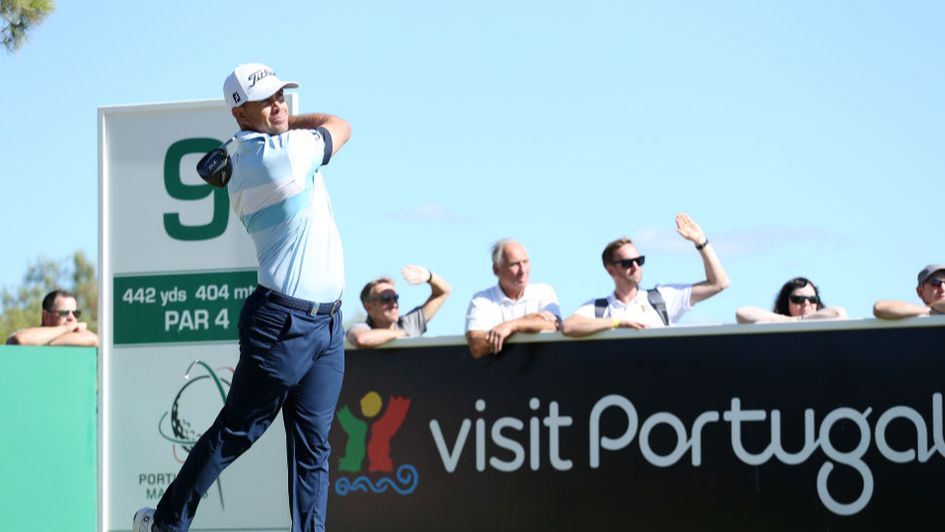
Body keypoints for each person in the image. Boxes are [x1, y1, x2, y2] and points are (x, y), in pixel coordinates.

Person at [133, 63, 352, 532]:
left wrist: (281, 123)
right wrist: (293, 124)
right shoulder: (282, 155)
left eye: (282, 97)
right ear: (240, 114)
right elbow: (341, 125)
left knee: (314, 445)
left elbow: (306, 128)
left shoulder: (256, 152)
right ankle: (168, 522)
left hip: (328, 325)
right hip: (284, 323)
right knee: (237, 430)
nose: (280, 106)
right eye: (268, 101)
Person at [561, 213, 730, 337]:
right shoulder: (600, 308)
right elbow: (568, 327)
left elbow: (719, 283)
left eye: (639, 260)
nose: (635, 266)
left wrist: (701, 242)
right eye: (627, 263)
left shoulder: (662, 298)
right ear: (611, 270)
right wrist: (617, 323)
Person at [465, 239, 560, 358]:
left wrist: (511, 326)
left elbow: (555, 325)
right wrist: (529, 320)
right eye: (515, 264)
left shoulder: (544, 291)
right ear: (496, 269)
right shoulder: (482, 300)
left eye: (525, 262)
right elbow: (477, 346)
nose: (523, 270)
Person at [346, 264, 451, 348]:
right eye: (386, 299)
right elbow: (361, 339)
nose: (394, 304)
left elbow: (443, 292)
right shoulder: (361, 328)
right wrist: (401, 334)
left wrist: (429, 276)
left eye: (395, 298)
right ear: (368, 307)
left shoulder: (408, 323)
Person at [5, 289, 99, 346]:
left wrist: (52, 340)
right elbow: (21, 339)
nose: (71, 318)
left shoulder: (80, 335)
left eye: (75, 313)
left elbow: (95, 339)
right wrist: (66, 328)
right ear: (46, 316)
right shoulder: (28, 334)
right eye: (64, 313)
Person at [735, 277, 847, 323]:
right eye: (798, 299)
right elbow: (741, 313)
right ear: (785, 302)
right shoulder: (774, 324)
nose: (806, 303)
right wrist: (787, 320)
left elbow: (839, 313)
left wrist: (800, 319)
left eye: (812, 299)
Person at [873, 264, 945, 319]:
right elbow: (880, 308)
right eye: (935, 282)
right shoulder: (920, 322)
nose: (943, 288)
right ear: (920, 292)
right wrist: (931, 311)